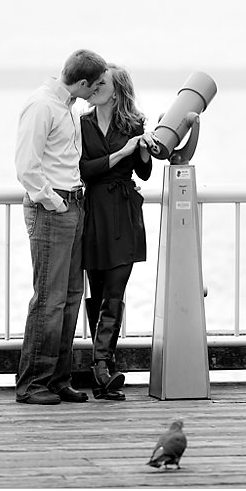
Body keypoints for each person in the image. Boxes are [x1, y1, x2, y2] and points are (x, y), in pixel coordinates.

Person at [13, 49, 108, 405]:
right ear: (82, 83)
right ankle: (32, 384)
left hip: (72, 205)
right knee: (49, 301)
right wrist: (54, 201)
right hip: (53, 208)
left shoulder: (66, 106)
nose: (97, 90)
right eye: (96, 85)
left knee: (68, 299)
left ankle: (57, 379)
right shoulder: (42, 106)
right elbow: (27, 166)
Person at [80, 64, 155, 400]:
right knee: (96, 290)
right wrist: (122, 152)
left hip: (123, 213)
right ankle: (103, 369)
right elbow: (85, 171)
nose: (95, 86)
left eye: (102, 82)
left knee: (115, 289)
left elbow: (145, 172)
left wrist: (141, 148)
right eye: (94, 82)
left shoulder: (134, 123)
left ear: (117, 89)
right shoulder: (81, 123)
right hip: (94, 211)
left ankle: (100, 367)